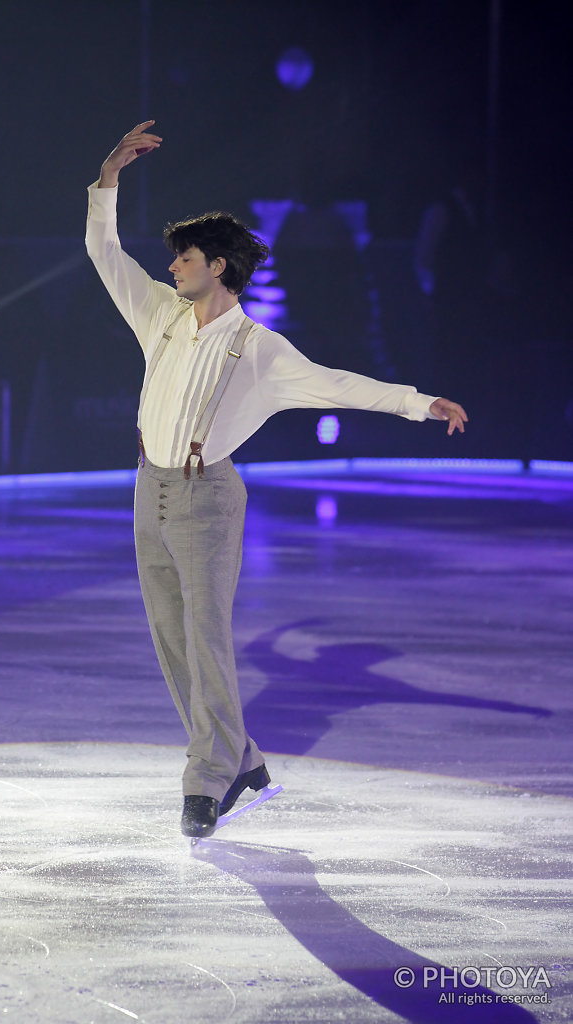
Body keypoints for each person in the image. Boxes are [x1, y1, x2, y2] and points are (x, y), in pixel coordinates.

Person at [85, 121, 468, 839]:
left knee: (205, 641)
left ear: (220, 267)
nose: (171, 269)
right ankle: (245, 762)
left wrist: (419, 403)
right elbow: (104, 255)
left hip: (207, 500)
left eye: (185, 259)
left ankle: (206, 780)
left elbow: (338, 384)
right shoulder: (160, 317)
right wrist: (107, 179)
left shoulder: (260, 350)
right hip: (148, 490)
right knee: (173, 641)